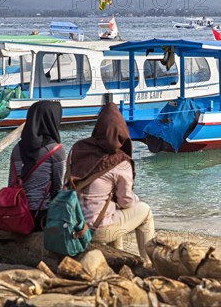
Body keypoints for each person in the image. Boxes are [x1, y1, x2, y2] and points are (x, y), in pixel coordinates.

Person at [68, 103, 154, 264]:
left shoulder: (78, 149)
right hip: (97, 231)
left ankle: (118, 254)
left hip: (74, 225)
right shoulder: (120, 161)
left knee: (111, 205)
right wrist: (135, 199)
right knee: (145, 211)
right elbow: (126, 201)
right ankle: (147, 262)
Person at [9, 100, 66, 231]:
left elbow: (11, 183)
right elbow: (57, 188)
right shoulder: (56, 150)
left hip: (16, 213)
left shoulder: (17, 148)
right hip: (40, 216)